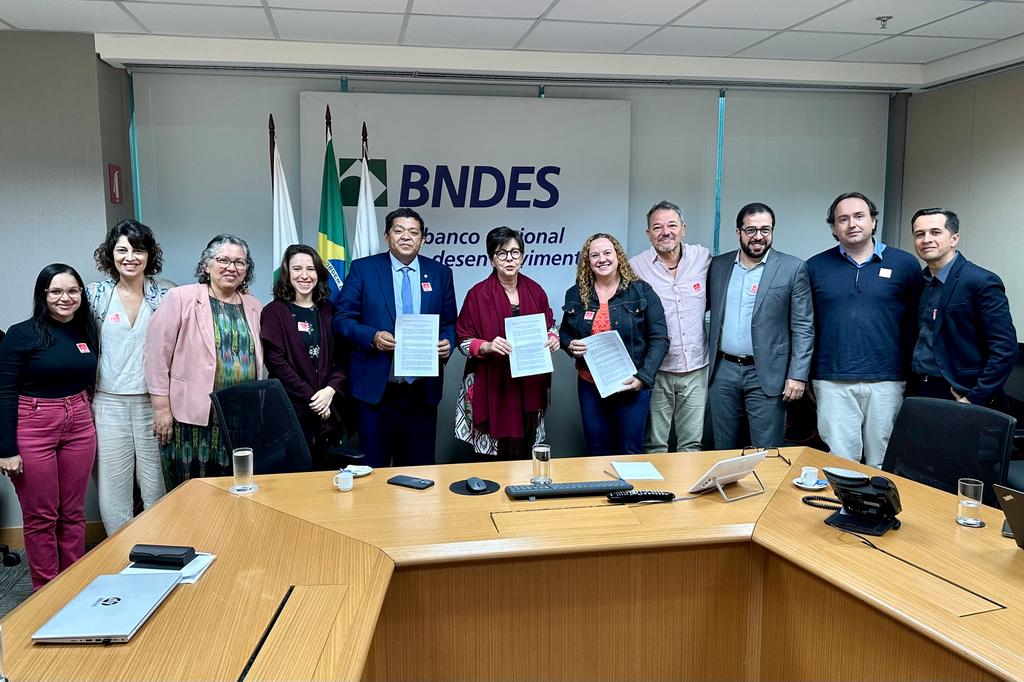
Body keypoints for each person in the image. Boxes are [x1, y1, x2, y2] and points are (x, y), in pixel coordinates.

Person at [0, 264, 99, 589]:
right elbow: (4, 392)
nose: (65, 298)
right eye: (56, 291)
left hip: (79, 423)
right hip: (34, 424)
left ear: (81, 294)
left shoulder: (84, 330)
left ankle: (73, 587)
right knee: (42, 517)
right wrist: (6, 449)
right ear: (43, 295)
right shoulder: (21, 333)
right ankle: (46, 593)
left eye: (72, 291)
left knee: (73, 512)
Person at [805, 193, 922, 468]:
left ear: (873, 221)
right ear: (833, 228)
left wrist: (913, 376)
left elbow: (917, 323)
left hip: (887, 379)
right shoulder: (814, 267)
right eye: (842, 219)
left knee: (883, 461)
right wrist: (807, 375)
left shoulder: (905, 265)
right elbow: (805, 326)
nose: (852, 224)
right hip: (832, 379)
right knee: (841, 462)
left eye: (859, 216)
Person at [335, 208, 457, 468]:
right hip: (377, 392)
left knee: (419, 473)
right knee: (373, 472)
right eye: (398, 230)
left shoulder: (440, 273)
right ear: (386, 236)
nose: (406, 237)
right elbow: (342, 318)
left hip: (421, 393)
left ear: (423, 239)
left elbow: (449, 323)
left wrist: (448, 342)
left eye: (414, 232)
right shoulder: (364, 269)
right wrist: (372, 336)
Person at [145, 234, 263, 490]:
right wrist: (161, 409)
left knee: (235, 488)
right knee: (191, 492)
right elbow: (156, 356)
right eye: (223, 260)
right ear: (207, 265)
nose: (231, 267)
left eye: (239, 262)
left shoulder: (254, 306)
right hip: (191, 420)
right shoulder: (181, 298)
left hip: (238, 418)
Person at [85, 219, 170, 534]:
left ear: (149, 255)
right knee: (114, 489)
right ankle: (120, 554)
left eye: (138, 250)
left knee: (157, 487)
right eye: (122, 250)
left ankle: (158, 552)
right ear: (111, 254)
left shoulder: (165, 296)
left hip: (154, 405)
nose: (130, 257)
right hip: (108, 404)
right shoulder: (95, 295)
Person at [706, 203, 814, 450]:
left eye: (765, 230)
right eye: (751, 230)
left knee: (767, 451)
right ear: (738, 233)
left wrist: (797, 375)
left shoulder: (792, 268)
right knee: (723, 449)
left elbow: (803, 326)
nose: (758, 236)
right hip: (723, 371)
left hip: (768, 373)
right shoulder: (718, 266)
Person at [560, 233, 668, 456]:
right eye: (595, 255)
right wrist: (570, 345)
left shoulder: (642, 292)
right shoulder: (575, 294)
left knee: (630, 450)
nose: (602, 259)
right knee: (597, 449)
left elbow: (659, 339)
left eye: (607, 253)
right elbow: (565, 332)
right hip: (590, 385)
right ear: (588, 261)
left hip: (631, 385)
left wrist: (643, 377)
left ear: (618, 256)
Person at [455, 226, 559, 459]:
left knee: (526, 449)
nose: (509, 259)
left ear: (522, 256)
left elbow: (550, 325)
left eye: (515, 252)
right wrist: (487, 346)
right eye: (502, 253)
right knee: (493, 457)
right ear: (492, 259)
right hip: (492, 382)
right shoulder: (477, 294)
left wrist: (553, 337)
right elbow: (462, 340)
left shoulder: (535, 290)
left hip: (529, 381)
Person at [910, 208, 1017, 407]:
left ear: (954, 238)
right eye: (919, 234)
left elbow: (1004, 348)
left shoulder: (981, 281)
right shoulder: (920, 283)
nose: (926, 239)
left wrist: (975, 398)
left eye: (935, 232)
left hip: (961, 393)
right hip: (921, 389)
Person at [628, 200, 711, 453]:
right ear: (648, 233)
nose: (666, 232)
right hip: (657, 370)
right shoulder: (635, 267)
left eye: (672, 225)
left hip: (696, 368)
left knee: (691, 444)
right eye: (657, 227)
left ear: (683, 229)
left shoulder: (702, 258)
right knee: (654, 444)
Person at [260, 245, 345, 470]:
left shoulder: (330, 310)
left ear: (319, 273)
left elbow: (343, 358)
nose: (304, 275)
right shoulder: (273, 312)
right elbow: (277, 364)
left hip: (328, 407)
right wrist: (316, 401)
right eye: (297, 269)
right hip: (290, 411)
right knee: (293, 479)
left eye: (311, 269)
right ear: (287, 273)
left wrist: (330, 391)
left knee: (327, 478)